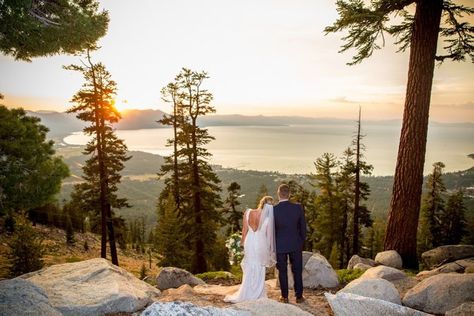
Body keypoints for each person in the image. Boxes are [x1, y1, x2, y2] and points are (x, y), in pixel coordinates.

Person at [224, 196, 276, 303]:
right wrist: (271, 249)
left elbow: (244, 230)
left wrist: (242, 244)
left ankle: (246, 292)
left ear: (260, 203)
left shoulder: (248, 212)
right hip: (261, 243)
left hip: (249, 241)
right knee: (259, 266)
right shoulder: (268, 218)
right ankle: (257, 293)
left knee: (249, 265)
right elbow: (269, 236)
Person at [274, 183, 307, 304]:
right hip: (295, 244)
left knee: (282, 271)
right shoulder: (298, 207)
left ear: (278, 194)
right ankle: (299, 297)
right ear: (289, 194)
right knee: (297, 270)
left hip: (280, 245)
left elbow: (272, 230)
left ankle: (284, 297)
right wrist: (301, 241)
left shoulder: (274, 210)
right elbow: (303, 227)